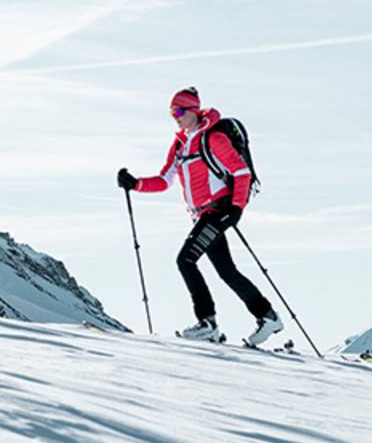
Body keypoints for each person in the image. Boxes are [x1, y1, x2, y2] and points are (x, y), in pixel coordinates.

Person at [119, 88, 284, 346]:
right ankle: (267, 316)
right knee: (226, 271)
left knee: (185, 261)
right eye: (172, 112)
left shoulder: (213, 138)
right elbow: (164, 180)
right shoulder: (180, 144)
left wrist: (236, 209)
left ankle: (207, 323)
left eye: (180, 111)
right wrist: (135, 183)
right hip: (200, 216)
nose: (176, 116)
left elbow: (241, 173)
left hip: (217, 212)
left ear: (194, 110)